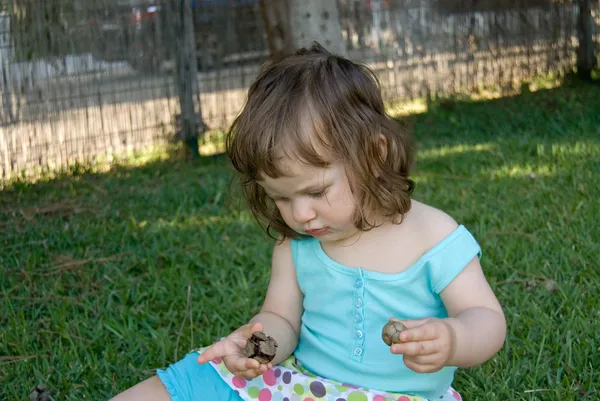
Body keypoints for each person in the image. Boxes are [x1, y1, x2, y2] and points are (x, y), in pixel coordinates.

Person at [110, 42, 506, 401]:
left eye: (316, 192)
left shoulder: (434, 236)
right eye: (281, 197)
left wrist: (454, 338)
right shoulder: (296, 244)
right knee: (196, 377)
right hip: (302, 388)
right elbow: (281, 319)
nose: (300, 214)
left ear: (375, 154)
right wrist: (256, 347)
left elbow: (486, 320)